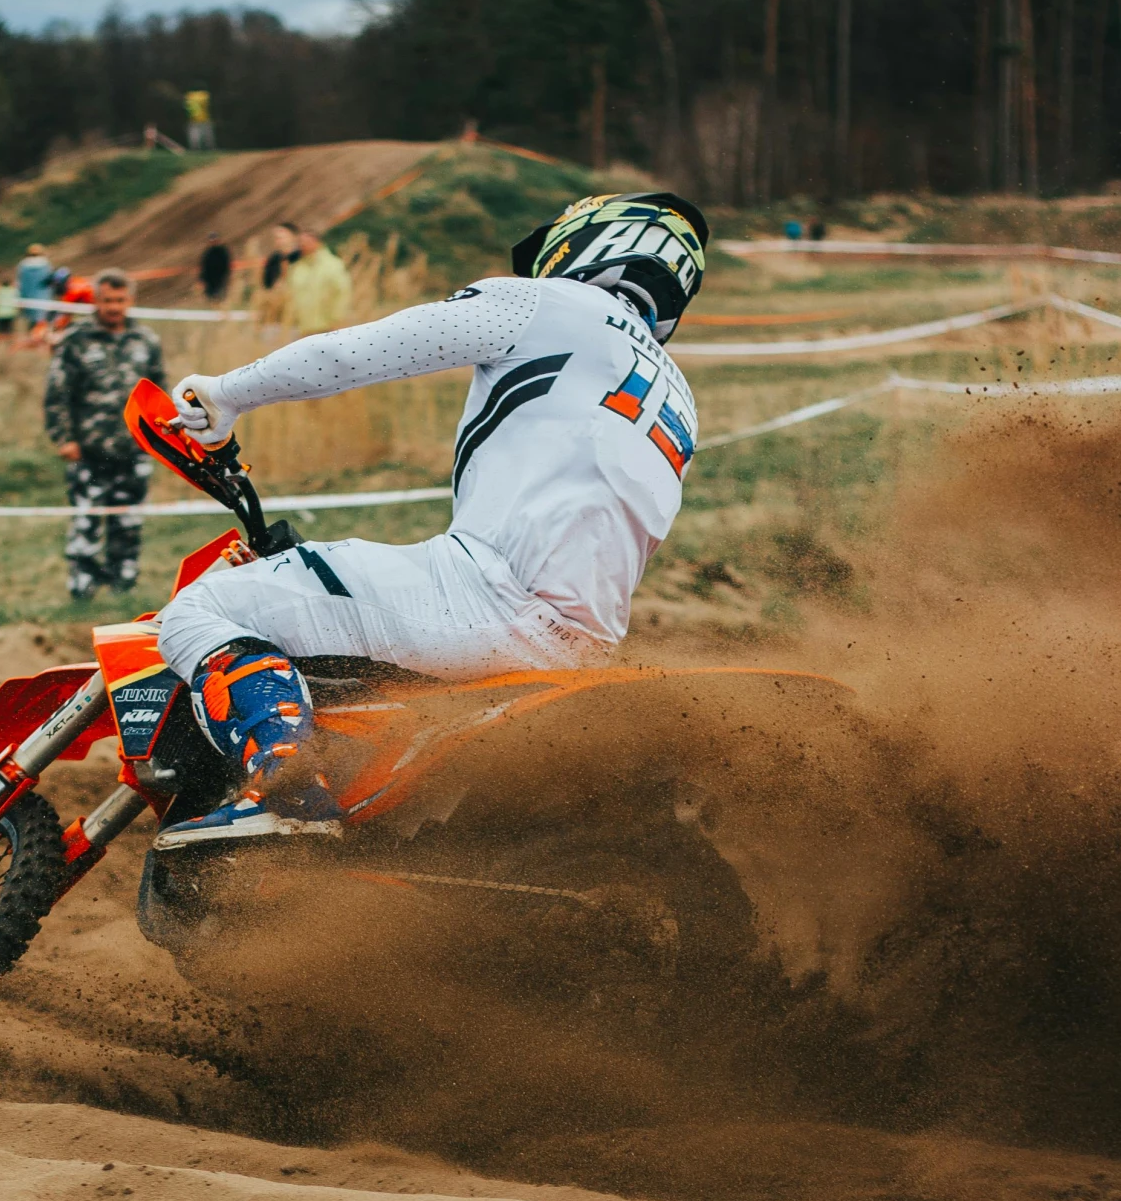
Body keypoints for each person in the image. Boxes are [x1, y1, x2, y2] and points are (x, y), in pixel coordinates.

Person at [155, 190, 707, 846]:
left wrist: (225, 394)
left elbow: (353, 354)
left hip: (482, 597)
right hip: (583, 646)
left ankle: (288, 795)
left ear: (587, 239)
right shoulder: (676, 390)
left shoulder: (544, 304)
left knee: (202, 610)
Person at [43, 268, 165, 601]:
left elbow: (158, 392)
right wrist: (63, 438)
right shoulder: (76, 340)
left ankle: (123, 585)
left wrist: (161, 440)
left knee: (128, 521)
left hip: (134, 448)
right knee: (88, 519)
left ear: (130, 300)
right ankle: (83, 586)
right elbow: (58, 394)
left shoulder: (146, 341)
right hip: (89, 449)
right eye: (107, 300)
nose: (114, 307)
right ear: (96, 300)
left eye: (120, 300)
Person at [286, 229, 352, 335]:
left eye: (307, 242)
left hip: (327, 326)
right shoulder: (296, 267)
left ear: (318, 243)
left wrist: (337, 319)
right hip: (302, 327)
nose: (303, 245)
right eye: (300, 243)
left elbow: (342, 292)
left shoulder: (333, 264)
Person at [17, 242, 55, 340]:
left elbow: (21, 284)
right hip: (44, 298)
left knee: (31, 322)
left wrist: (21, 298)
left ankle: (31, 340)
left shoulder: (22, 266)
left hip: (28, 298)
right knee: (43, 322)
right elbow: (49, 282)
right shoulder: (46, 265)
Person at [260, 222, 298, 295]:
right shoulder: (273, 260)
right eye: (276, 238)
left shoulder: (301, 256)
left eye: (282, 238)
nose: (279, 241)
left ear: (294, 237)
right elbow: (267, 285)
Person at [199, 232, 232, 304]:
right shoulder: (208, 253)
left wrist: (226, 275)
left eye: (215, 241)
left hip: (220, 278)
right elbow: (204, 266)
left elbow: (227, 264)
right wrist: (202, 278)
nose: (213, 243)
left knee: (220, 297)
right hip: (210, 279)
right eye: (211, 241)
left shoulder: (223, 251)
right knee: (211, 298)